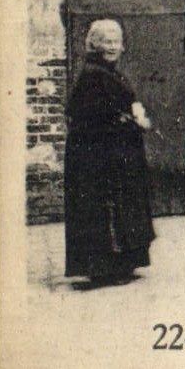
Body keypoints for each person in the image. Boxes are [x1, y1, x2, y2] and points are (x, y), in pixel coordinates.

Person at [64, 19, 155, 288]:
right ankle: (105, 269)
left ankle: (122, 264)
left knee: (118, 205)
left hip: (110, 151)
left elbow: (123, 100)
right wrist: (129, 119)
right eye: (106, 41)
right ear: (95, 44)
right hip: (97, 156)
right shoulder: (94, 74)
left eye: (116, 41)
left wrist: (133, 111)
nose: (113, 47)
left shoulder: (107, 71)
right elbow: (90, 116)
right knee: (104, 209)